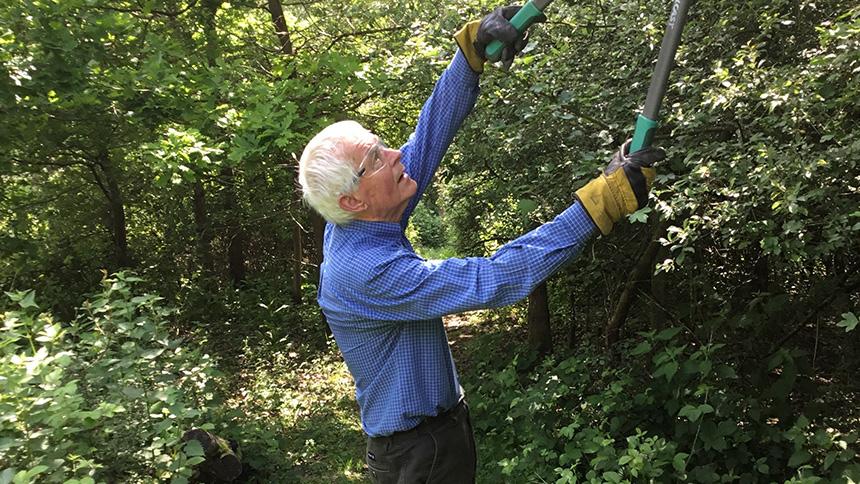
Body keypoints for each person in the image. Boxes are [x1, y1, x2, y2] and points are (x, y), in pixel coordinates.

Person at [298, 6, 665, 484]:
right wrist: (600, 204)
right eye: (375, 157)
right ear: (352, 197)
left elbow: (425, 141)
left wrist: (469, 54)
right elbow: (492, 278)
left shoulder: (359, 219)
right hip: (417, 454)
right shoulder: (364, 271)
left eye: (379, 144)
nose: (394, 156)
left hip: (436, 435)